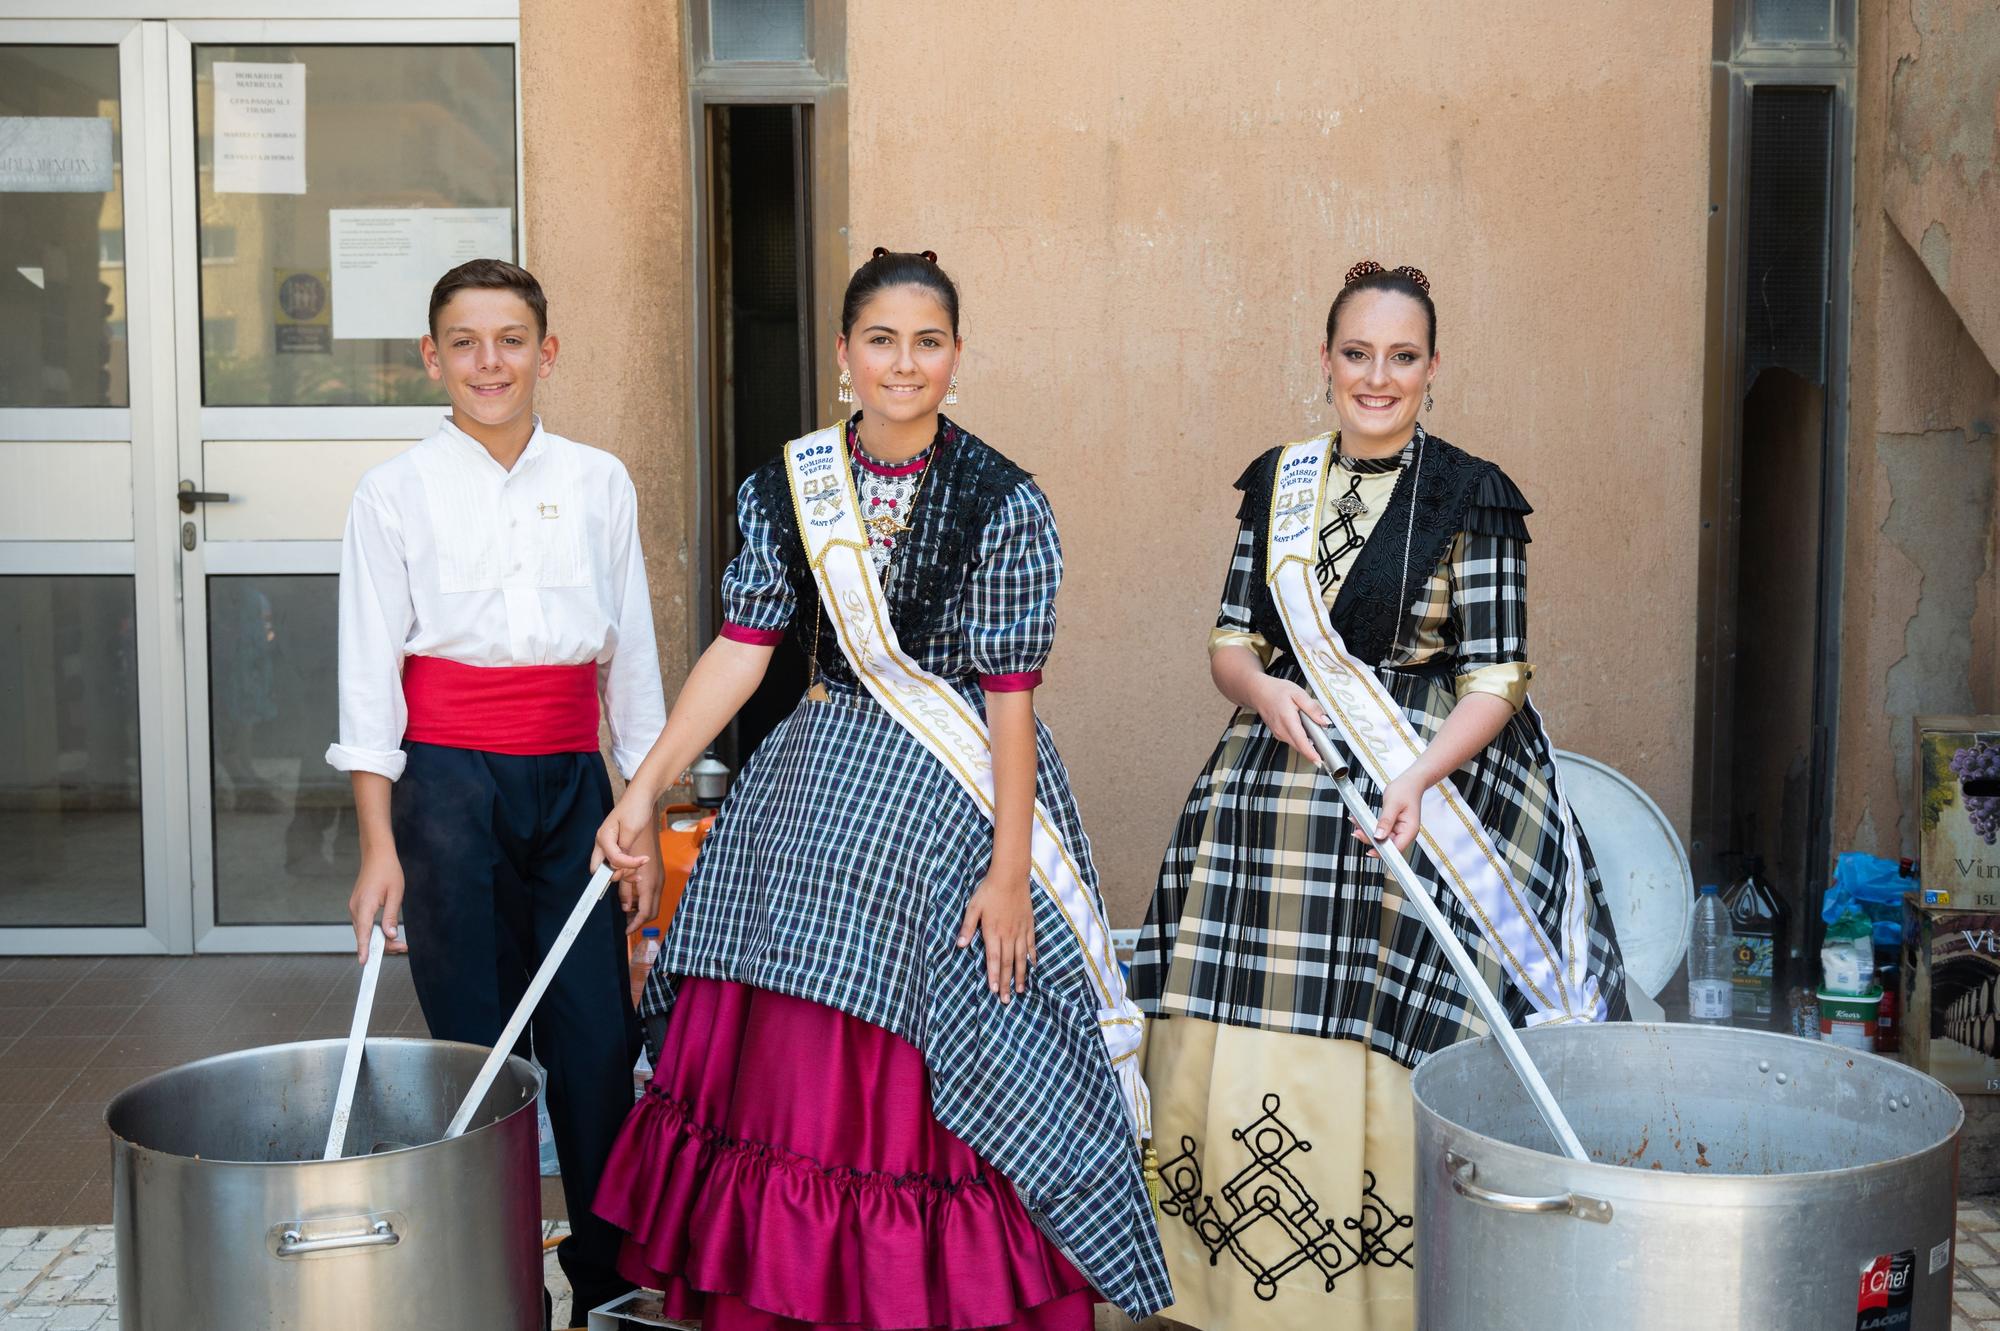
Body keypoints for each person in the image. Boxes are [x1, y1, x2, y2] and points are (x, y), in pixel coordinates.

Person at [589, 248, 1171, 1330]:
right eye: (881, 340)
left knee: (964, 1027)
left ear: (956, 355)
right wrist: (642, 788)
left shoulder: (1004, 498)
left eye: (928, 341)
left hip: (957, 803)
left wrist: (1008, 871)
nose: (904, 364)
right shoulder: (788, 485)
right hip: (815, 796)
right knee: (788, 1051)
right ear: (844, 355)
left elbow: (1007, 698)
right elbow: (742, 647)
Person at [1130, 260, 1630, 1331]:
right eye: (1356, 353)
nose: (1376, 376)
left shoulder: (1474, 491)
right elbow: (1230, 638)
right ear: (1324, 359)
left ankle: (1403, 1293)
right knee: (1237, 992)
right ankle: (1230, 1290)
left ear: (1431, 368)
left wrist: (1411, 773)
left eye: (1400, 357)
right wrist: (1262, 689)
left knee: (1407, 1012)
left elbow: (1495, 674)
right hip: (1280, 783)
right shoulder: (1276, 480)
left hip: (1439, 789)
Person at [327, 258, 667, 1323]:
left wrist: (641, 819)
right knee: (473, 1046)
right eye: (464, 342)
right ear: (432, 358)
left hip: (572, 786)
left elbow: (633, 666)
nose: (489, 362)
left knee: (596, 1042)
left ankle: (606, 1281)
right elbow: (368, 685)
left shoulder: (598, 478)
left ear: (546, 353)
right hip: (446, 795)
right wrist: (380, 847)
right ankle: (486, 1272)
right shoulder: (393, 492)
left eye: (511, 339)